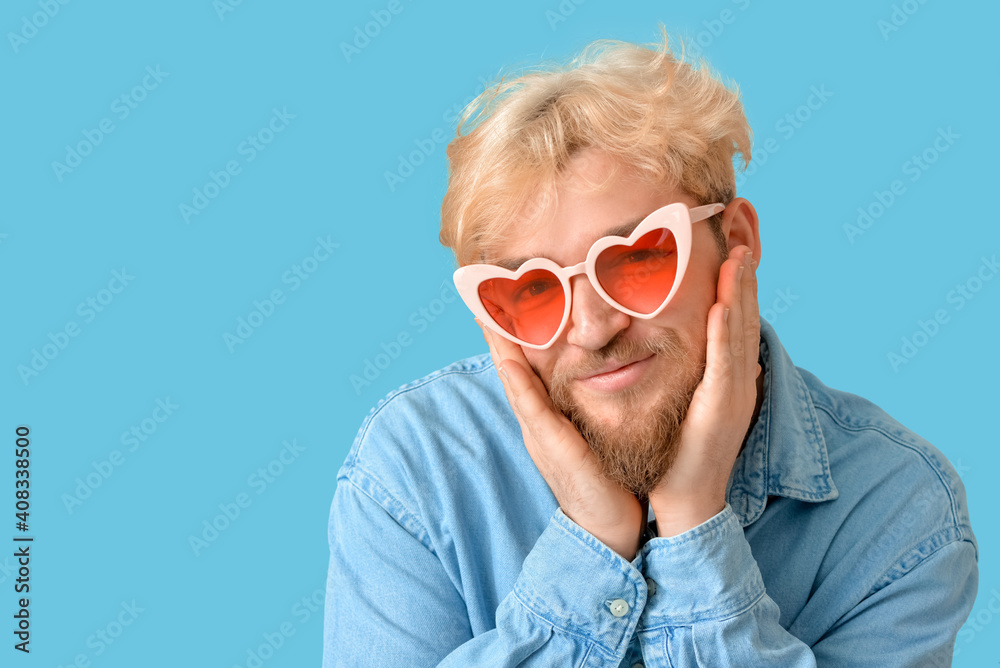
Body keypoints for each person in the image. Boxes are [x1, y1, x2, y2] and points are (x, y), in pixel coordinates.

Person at [324, 29, 977, 667]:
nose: (592, 328)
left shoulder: (898, 509)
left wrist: (695, 526)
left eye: (637, 258)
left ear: (736, 242)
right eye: (532, 290)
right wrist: (590, 540)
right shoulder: (417, 470)